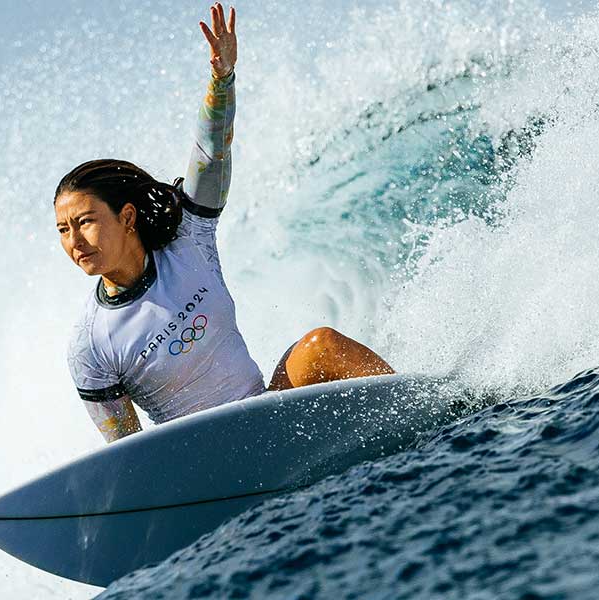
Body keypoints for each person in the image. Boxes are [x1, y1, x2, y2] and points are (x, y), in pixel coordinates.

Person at [55, 3, 393, 442]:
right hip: (204, 462)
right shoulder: (91, 343)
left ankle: (425, 416)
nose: (74, 240)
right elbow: (127, 451)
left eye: (84, 222)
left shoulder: (186, 242)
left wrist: (222, 79)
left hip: (268, 417)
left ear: (127, 217)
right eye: (63, 230)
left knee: (320, 345)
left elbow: (211, 153)